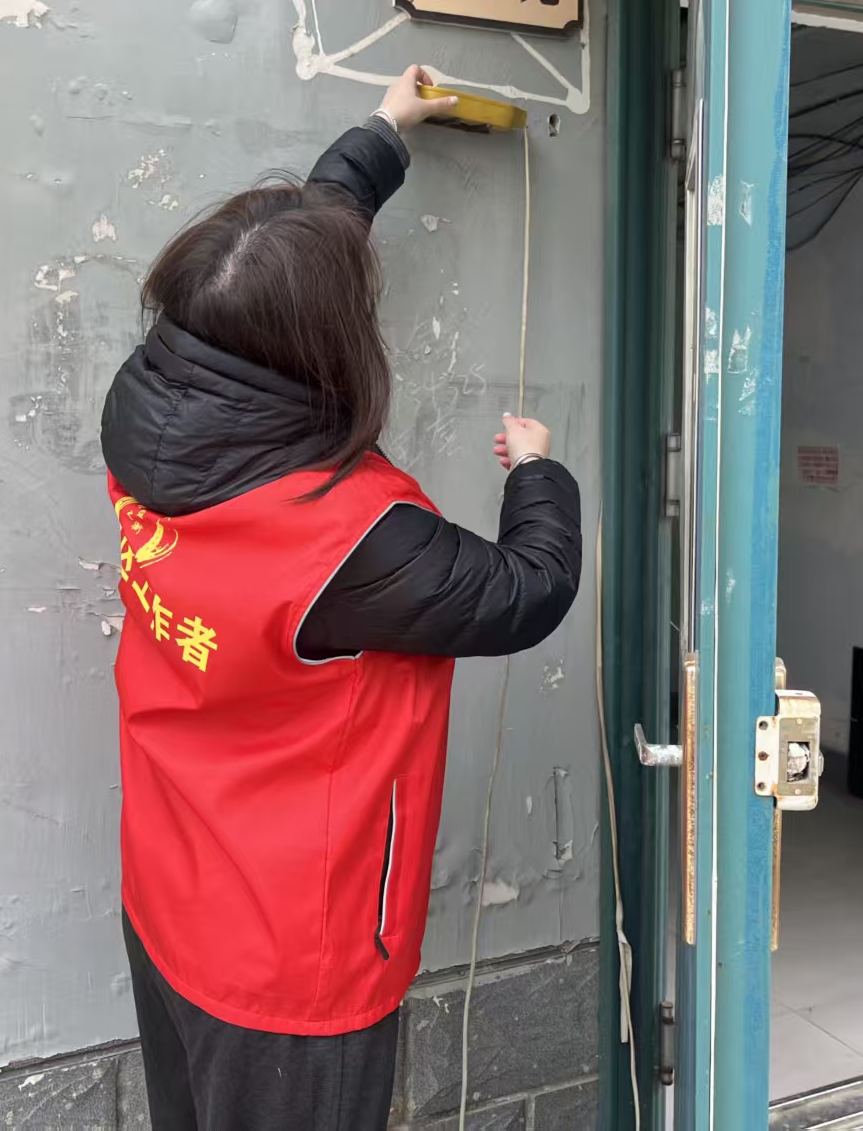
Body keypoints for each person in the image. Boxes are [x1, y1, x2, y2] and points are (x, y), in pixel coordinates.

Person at [99, 64, 583, 1131]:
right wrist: (537, 471)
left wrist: (383, 131)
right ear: (322, 342)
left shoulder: (146, 413)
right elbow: (527, 589)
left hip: (172, 884)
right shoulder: (346, 537)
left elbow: (282, 271)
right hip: (291, 960)